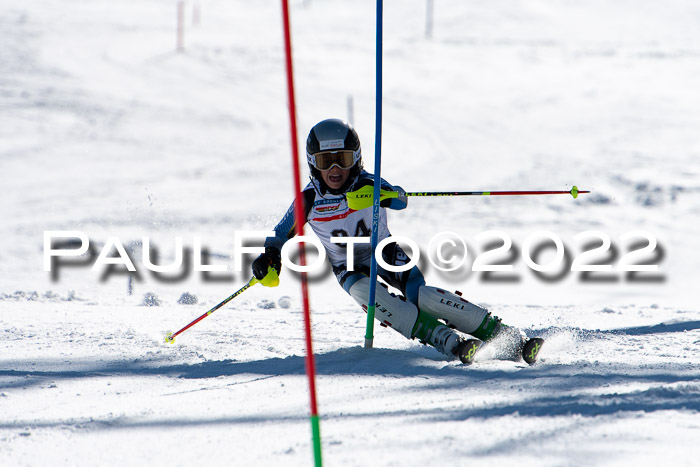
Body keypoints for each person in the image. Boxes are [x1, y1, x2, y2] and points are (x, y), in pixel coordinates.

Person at [252, 118, 542, 365]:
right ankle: (445, 340)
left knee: (424, 297)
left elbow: (401, 199)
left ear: (356, 158)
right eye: (327, 162)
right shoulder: (310, 199)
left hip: (384, 251)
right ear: (314, 164)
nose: (336, 169)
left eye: (343, 158)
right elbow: (280, 234)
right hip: (347, 266)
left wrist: (383, 195)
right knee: (366, 292)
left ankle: (508, 337)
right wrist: (269, 257)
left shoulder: (366, 182)